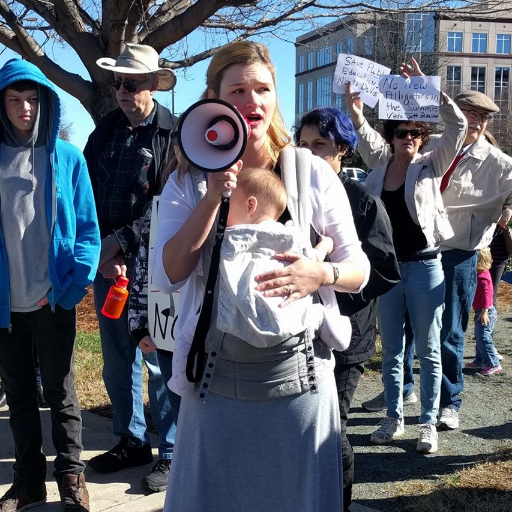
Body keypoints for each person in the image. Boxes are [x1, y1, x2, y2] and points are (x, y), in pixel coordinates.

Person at [152, 41, 370, 512]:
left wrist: (321, 273)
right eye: (238, 89)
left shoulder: (308, 171)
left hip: (301, 384)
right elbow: (169, 274)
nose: (252, 101)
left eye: (262, 89)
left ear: (275, 98)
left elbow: (360, 270)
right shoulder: (186, 179)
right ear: (214, 95)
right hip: (214, 384)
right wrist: (212, 198)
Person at [353, 80, 512, 430]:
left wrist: (502, 217)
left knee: (448, 331)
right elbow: (382, 156)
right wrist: (359, 116)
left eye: (481, 117)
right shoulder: (427, 144)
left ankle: (447, 402)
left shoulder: (498, 163)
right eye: (468, 113)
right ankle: (402, 391)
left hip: (457, 252)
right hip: (408, 253)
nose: (474, 121)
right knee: (400, 332)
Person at [347, 58, 468, 453]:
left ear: (422, 136)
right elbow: (363, 135)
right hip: (389, 271)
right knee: (392, 351)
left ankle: (428, 424)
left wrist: (427, 91)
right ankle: (394, 418)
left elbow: (459, 126)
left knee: (430, 350)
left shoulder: (431, 164)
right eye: (401, 133)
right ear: (392, 135)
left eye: (416, 133)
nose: (408, 139)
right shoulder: (379, 169)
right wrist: (355, 110)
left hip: (426, 268)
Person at [0, 59, 100, 511]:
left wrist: (72, 287)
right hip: (6, 303)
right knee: (18, 393)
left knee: (60, 391)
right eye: (15, 99)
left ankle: (71, 478)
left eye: (33, 99)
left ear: (46, 102)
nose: (25, 108)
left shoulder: (67, 158)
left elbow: (86, 230)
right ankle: (28, 481)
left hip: (52, 299)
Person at [83, 43, 179, 492]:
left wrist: (120, 243)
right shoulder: (103, 131)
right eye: (118, 83)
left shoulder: (173, 135)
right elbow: (84, 193)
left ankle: (173, 450)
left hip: (156, 266)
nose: (122, 91)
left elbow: (170, 205)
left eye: (132, 83)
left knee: (156, 356)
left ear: (154, 84)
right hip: (108, 267)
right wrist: (101, 252)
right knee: (116, 356)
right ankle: (131, 438)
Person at [295, 107, 400, 510]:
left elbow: (385, 271)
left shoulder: (362, 200)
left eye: (319, 145)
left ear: (342, 149)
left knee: (332, 431)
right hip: (302, 333)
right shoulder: (292, 195)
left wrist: (331, 286)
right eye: (302, 145)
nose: (308, 154)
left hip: (347, 337)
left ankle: (338, 502)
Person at [169, 167, 352, 397]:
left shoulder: (227, 238)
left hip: (237, 321)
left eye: (227, 203)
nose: (222, 210)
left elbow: (198, 265)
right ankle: (338, 331)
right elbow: (311, 259)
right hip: (290, 321)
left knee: (188, 332)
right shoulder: (293, 235)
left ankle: (181, 385)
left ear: (250, 205)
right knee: (317, 315)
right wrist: (324, 246)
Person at [465, 247, 502, 376]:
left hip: (485, 312)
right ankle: (480, 359)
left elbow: (487, 295)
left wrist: (485, 311)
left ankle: (493, 363)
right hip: (480, 311)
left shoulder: (482, 277)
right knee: (480, 337)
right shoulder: (481, 274)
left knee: (484, 337)